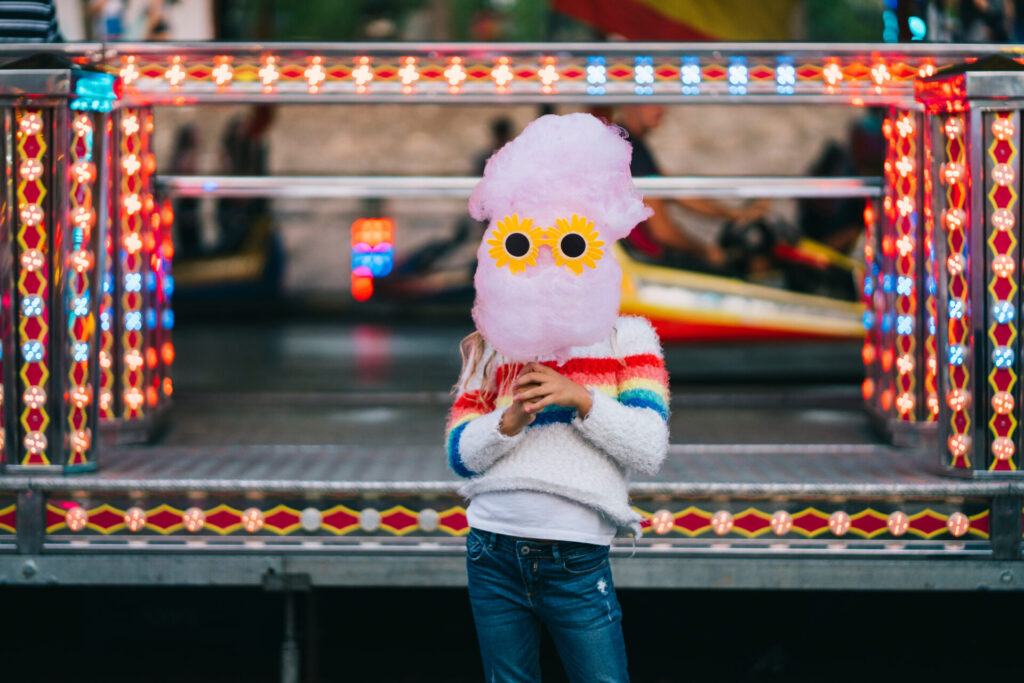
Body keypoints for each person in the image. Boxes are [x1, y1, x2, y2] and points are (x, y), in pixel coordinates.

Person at [446, 113, 669, 681]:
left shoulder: (629, 338)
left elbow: (648, 446)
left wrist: (582, 400)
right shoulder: (489, 346)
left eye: (568, 239)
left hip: (575, 555)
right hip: (491, 545)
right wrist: (507, 421)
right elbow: (457, 454)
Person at [618, 104, 768, 273]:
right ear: (629, 106)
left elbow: (675, 192)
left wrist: (736, 214)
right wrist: (706, 251)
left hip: (643, 258)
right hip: (647, 263)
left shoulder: (629, 146)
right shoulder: (632, 153)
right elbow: (662, 232)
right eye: (651, 103)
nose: (661, 109)